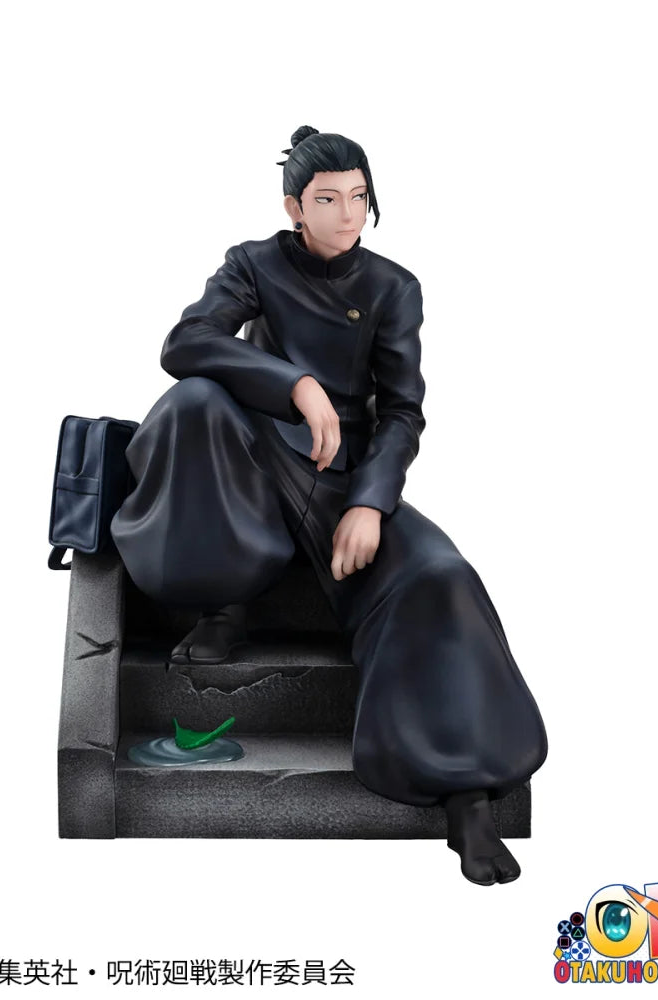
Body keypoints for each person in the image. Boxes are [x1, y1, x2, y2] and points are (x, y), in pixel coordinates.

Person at [111, 126, 547, 885]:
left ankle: (466, 798)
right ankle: (222, 603)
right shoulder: (252, 264)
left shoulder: (392, 287)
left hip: (345, 482)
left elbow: (402, 412)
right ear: (294, 207)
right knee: (193, 402)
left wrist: (371, 504)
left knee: (441, 576)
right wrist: (295, 384)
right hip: (253, 459)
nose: (348, 215)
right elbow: (185, 343)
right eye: (327, 199)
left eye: (358, 197)